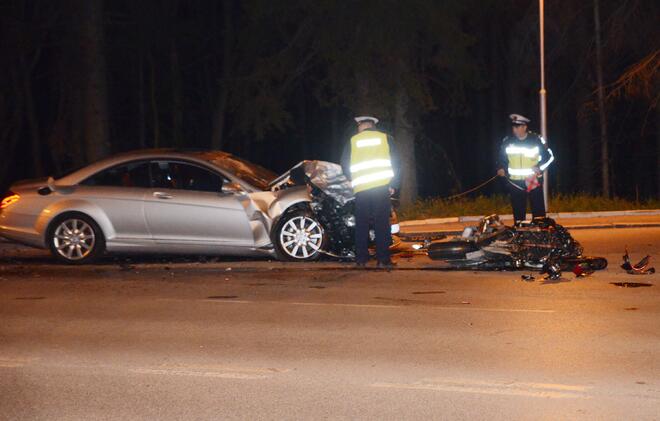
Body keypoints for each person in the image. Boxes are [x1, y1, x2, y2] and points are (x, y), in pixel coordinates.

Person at [341, 116, 400, 269]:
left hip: (361, 189)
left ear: (362, 125)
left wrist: (351, 179)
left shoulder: (353, 141)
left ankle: (361, 259)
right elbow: (396, 162)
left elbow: (344, 163)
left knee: (362, 224)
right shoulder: (386, 138)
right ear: (373, 126)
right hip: (381, 187)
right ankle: (383, 259)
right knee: (381, 223)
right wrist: (393, 184)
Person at [496, 114, 555, 225]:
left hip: (532, 179)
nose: (515, 129)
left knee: (538, 212)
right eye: (513, 127)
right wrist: (500, 168)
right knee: (518, 212)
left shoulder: (536, 139)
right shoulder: (507, 141)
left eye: (517, 127)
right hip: (515, 181)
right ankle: (519, 234)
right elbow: (501, 159)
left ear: (524, 127)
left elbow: (550, 156)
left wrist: (539, 167)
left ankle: (541, 233)